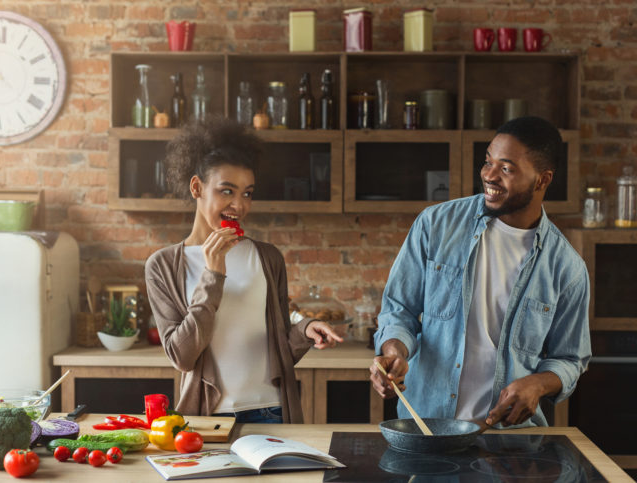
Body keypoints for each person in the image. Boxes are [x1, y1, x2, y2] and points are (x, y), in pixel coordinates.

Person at [370, 116, 591, 428]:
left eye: (506, 168)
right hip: (427, 427)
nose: (489, 175)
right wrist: (394, 351)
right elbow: (399, 310)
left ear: (542, 180)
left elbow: (571, 358)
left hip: (509, 442)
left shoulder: (567, 267)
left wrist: (538, 384)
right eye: (488, 161)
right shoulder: (436, 225)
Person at [145, 117, 343, 423]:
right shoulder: (163, 266)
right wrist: (212, 275)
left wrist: (306, 331)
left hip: (272, 410)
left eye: (247, 193)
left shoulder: (267, 257)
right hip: (209, 417)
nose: (239, 205)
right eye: (227, 191)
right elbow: (182, 356)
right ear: (197, 187)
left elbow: (281, 349)